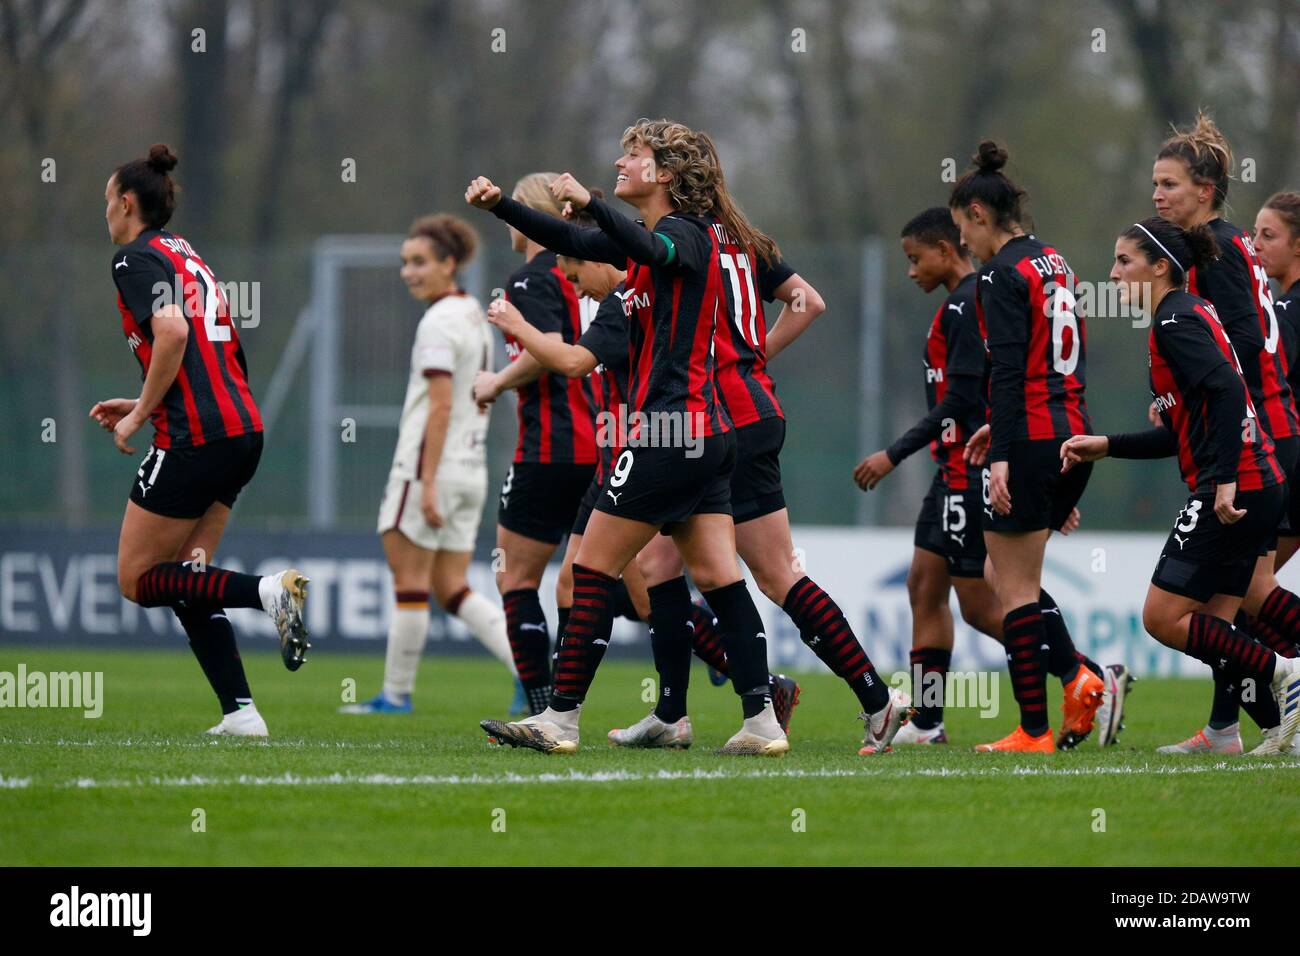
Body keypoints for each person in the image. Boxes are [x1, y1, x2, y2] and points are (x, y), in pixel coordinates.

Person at [468, 120, 909, 755]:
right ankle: (756, 718)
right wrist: (505, 207)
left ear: (667, 174)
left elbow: (613, 280)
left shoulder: (680, 237)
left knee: (591, 567)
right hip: (714, 430)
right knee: (716, 572)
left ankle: (560, 718)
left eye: (634, 155)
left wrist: (592, 203)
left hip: (671, 428)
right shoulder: (696, 240)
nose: (621, 162)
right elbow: (577, 237)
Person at [860, 208, 1132, 746]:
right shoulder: (971, 298)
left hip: (974, 466)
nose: (911, 271)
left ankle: (1084, 673)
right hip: (959, 465)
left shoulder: (972, 300)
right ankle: (931, 720)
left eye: (916, 258)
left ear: (946, 249)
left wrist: (894, 454)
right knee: (925, 586)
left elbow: (967, 398)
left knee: (991, 598)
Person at [1060, 217, 1300, 754]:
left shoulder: (1175, 320)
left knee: (1163, 617)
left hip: (1240, 484)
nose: (1113, 274)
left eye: (1125, 262)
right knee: (1218, 628)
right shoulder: (1190, 313)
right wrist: (1107, 444)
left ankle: (1289, 674)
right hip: (1260, 482)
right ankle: (1260, 731)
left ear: (1161, 266)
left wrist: (1222, 480)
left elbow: (1225, 391)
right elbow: (1187, 425)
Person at [93, 143, 307, 737]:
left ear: (128, 203)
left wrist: (141, 418)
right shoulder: (189, 255)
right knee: (189, 575)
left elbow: (172, 332)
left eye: (107, 201)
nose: (105, 213)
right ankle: (241, 713)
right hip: (241, 430)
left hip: (195, 437)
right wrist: (141, 400)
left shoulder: (132, 259)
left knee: (139, 579)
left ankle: (269, 592)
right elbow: (221, 349)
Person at [1151, 115, 1300, 753]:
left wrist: (1199, 405)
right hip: (1264, 427)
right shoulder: (1220, 244)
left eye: (1170, 185)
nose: (1158, 195)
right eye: (1155, 184)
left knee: (1250, 595)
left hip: (1261, 432)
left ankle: (1262, 710)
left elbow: (1236, 352)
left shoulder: (1213, 252)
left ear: (1206, 190)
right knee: (1227, 601)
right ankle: (1222, 729)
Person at [953, 141, 1104, 753]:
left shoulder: (998, 274)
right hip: (1073, 434)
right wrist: (1004, 427)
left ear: (980, 216)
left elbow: (1010, 371)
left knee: (1011, 590)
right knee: (1002, 572)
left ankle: (1034, 731)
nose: (965, 244)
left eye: (964, 230)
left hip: (1035, 439)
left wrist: (1005, 453)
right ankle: (1078, 676)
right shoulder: (1056, 263)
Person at [341, 214, 516, 715]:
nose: (408, 272)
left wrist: (427, 483)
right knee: (452, 587)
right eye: (405, 263)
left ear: (450, 264)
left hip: (430, 470)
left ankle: (395, 694)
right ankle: (531, 672)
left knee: (411, 583)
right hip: (471, 468)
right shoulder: (474, 316)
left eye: (419, 262)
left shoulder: (438, 322)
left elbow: (439, 406)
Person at [471, 173, 598, 717]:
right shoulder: (589, 270)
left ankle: (546, 703)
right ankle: (730, 660)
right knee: (621, 585)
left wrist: (495, 382)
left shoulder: (532, 278)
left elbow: (551, 350)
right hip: (603, 444)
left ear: (525, 212)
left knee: (515, 578)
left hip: (550, 447)